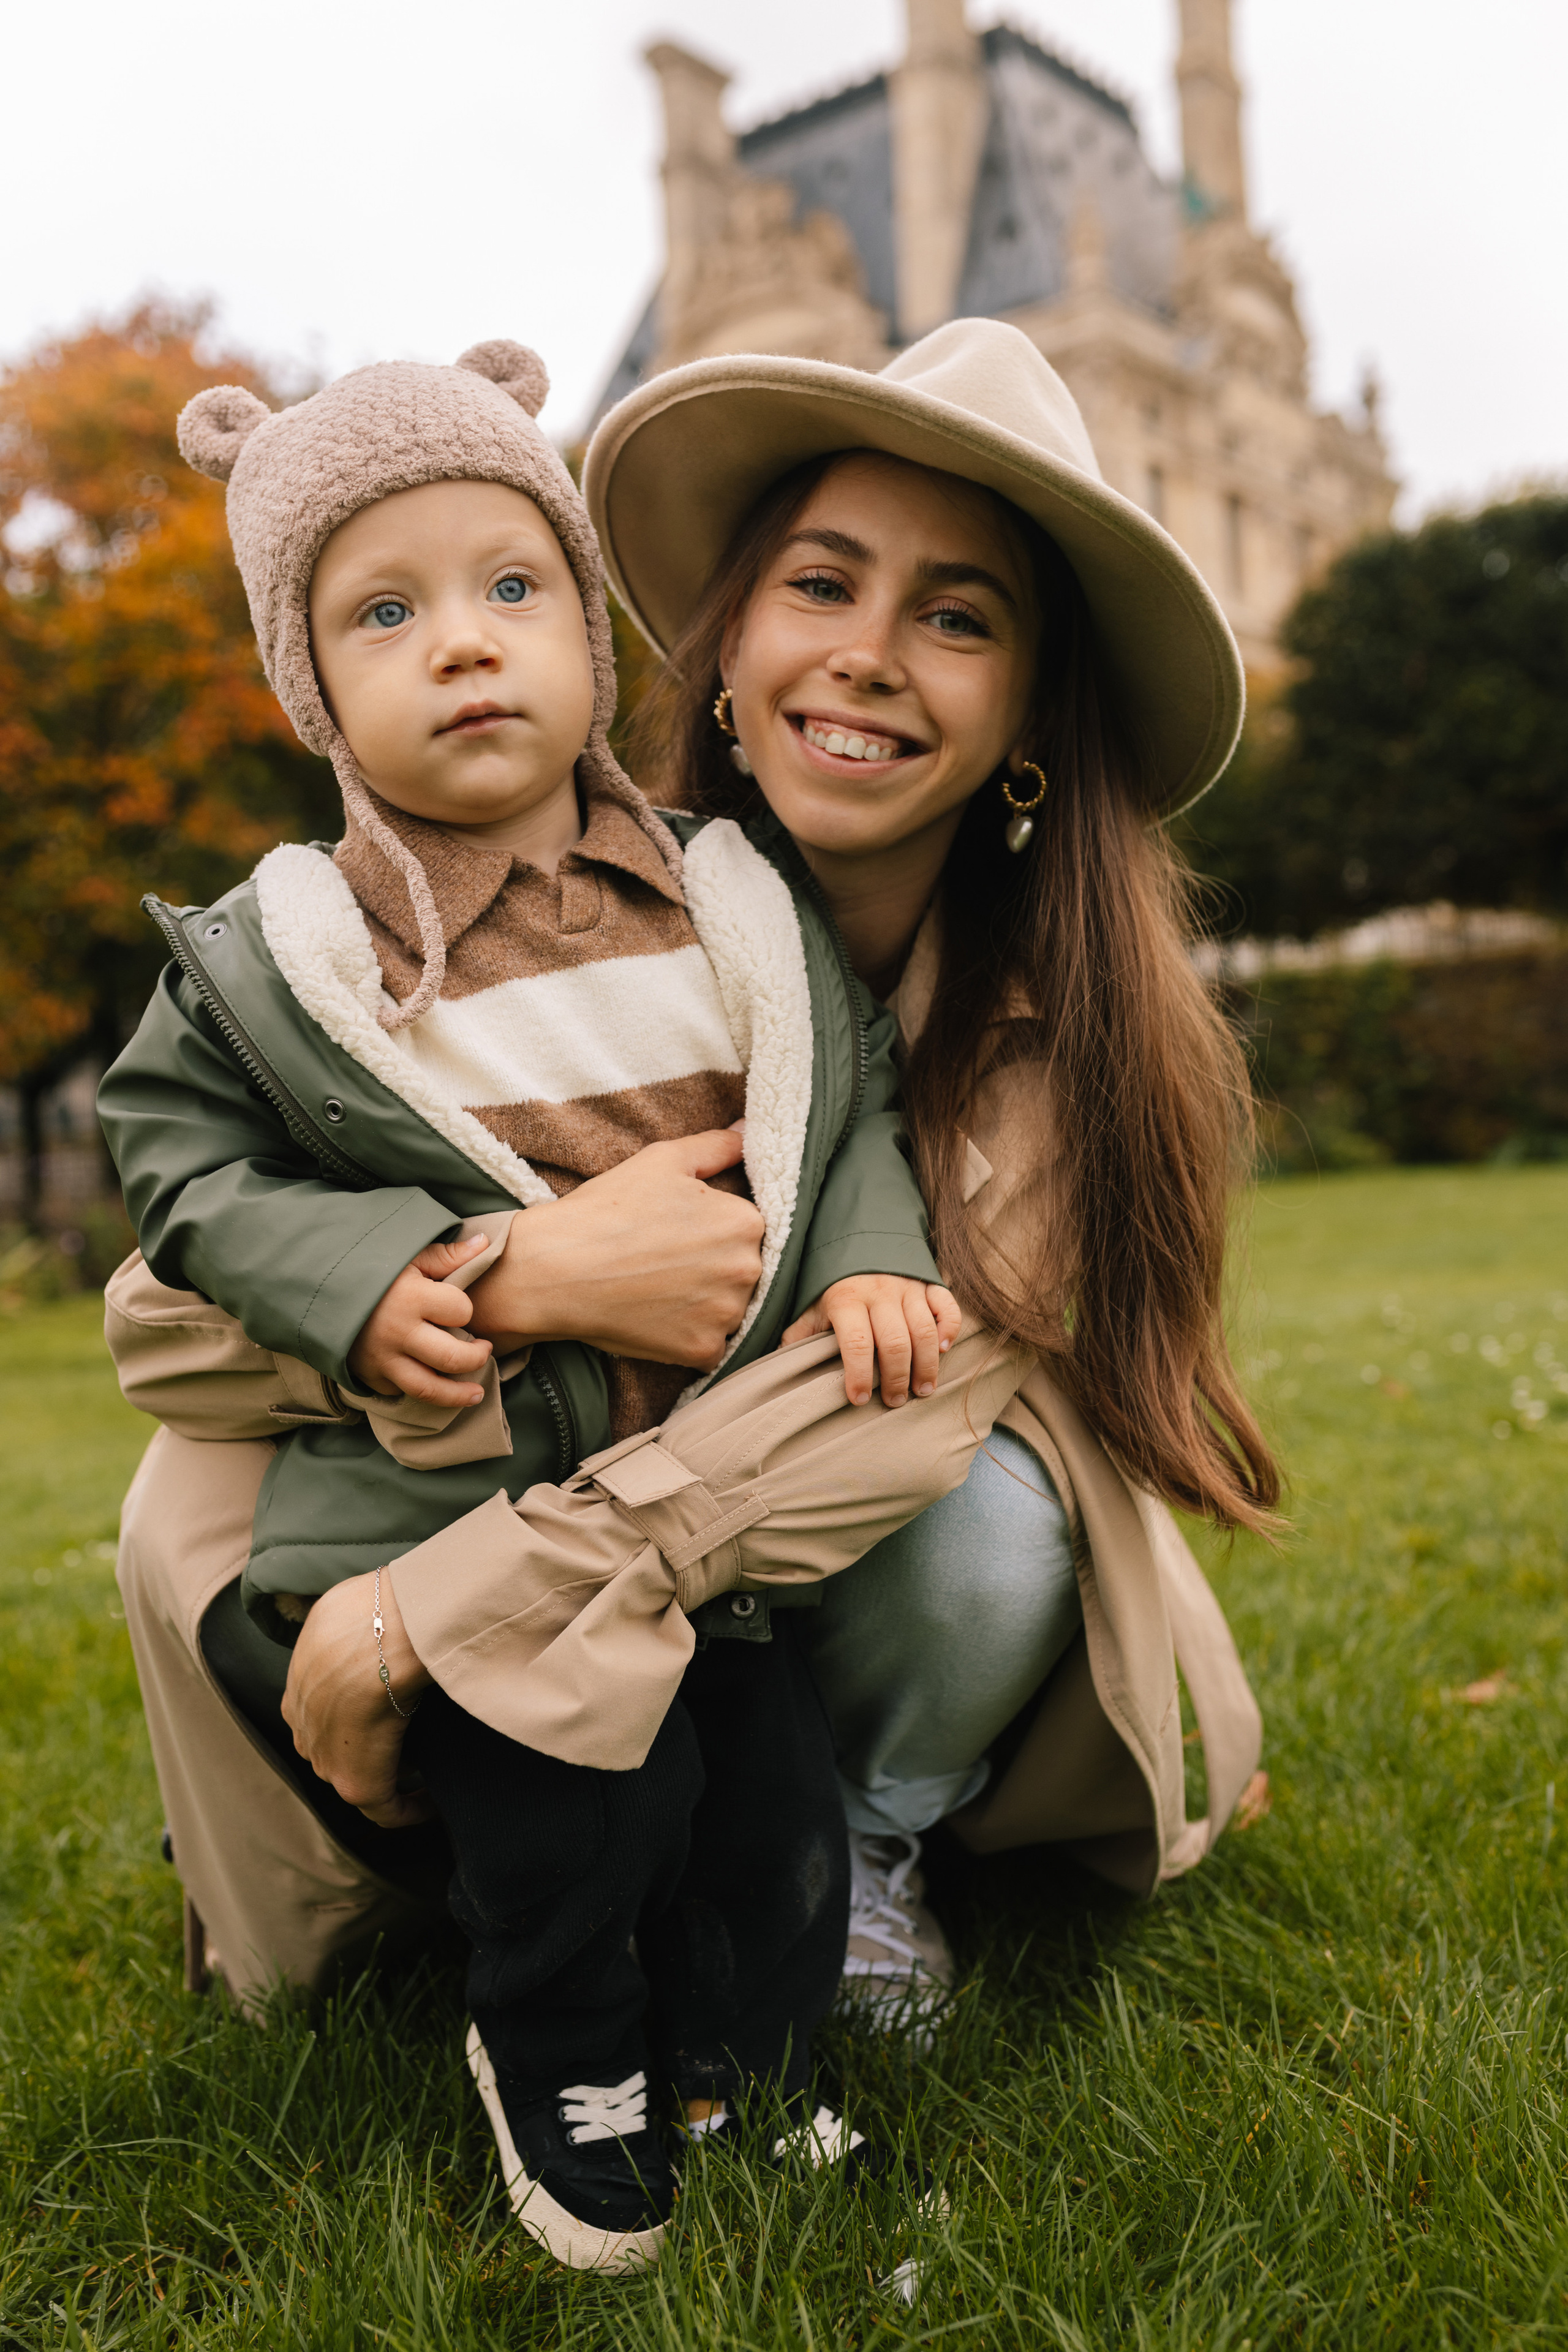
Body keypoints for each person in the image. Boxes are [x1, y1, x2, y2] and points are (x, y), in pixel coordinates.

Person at [107, 318, 1272, 2232]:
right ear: (724, 643)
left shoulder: (1063, 1026)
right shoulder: (527, 912)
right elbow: (165, 1315)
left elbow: (867, 1406)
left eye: (960, 619)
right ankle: (387, 1879)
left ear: (1033, 713)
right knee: (187, 1502)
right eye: (822, 583)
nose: (869, 657)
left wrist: (441, 1611)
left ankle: (871, 1842)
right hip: (561, 1427)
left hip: (840, 1534)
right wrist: (517, 1272)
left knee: (976, 1508)